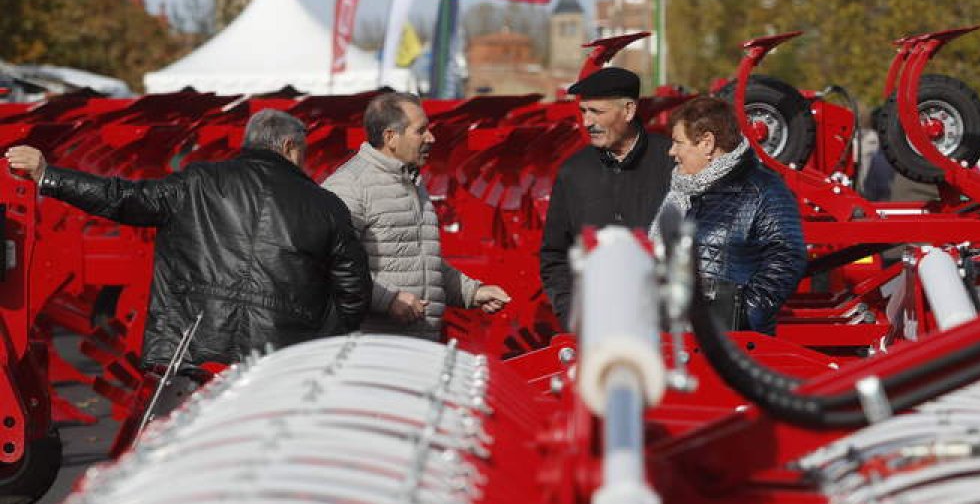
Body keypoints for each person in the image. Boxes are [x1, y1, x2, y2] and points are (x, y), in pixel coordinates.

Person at [4, 109, 371, 373]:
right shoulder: (326, 206)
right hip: (282, 360)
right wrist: (317, 339)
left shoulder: (198, 182)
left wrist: (48, 176)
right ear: (291, 147)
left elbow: (123, 198)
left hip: (193, 348)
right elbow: (353, 292)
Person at [323, 92, 510, 341]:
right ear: (391, 137)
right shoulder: (350, 186)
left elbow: (422, 261)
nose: (431, 138)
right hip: (372, 349)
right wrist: (388, 300)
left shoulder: (411, 181)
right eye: (420, 131)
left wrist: (472, 292)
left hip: (416, 347)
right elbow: (330, 263)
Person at [649, 96, 806, 335]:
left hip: (731, 344)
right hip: (681, 337)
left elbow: (786, 260)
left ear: (707, 144)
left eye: (678, 142)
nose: (672, 152)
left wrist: (740, 314)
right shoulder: (683, 189)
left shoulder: (762, 189)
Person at [539, 67, 674, 326]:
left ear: (628, 111)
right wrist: (572, 315)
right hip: (597, 331)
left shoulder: (673, 162)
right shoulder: (574, 172)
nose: (587, 122)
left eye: (597, 112)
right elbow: (555, 255)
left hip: (667, 334)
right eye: (583, 112)